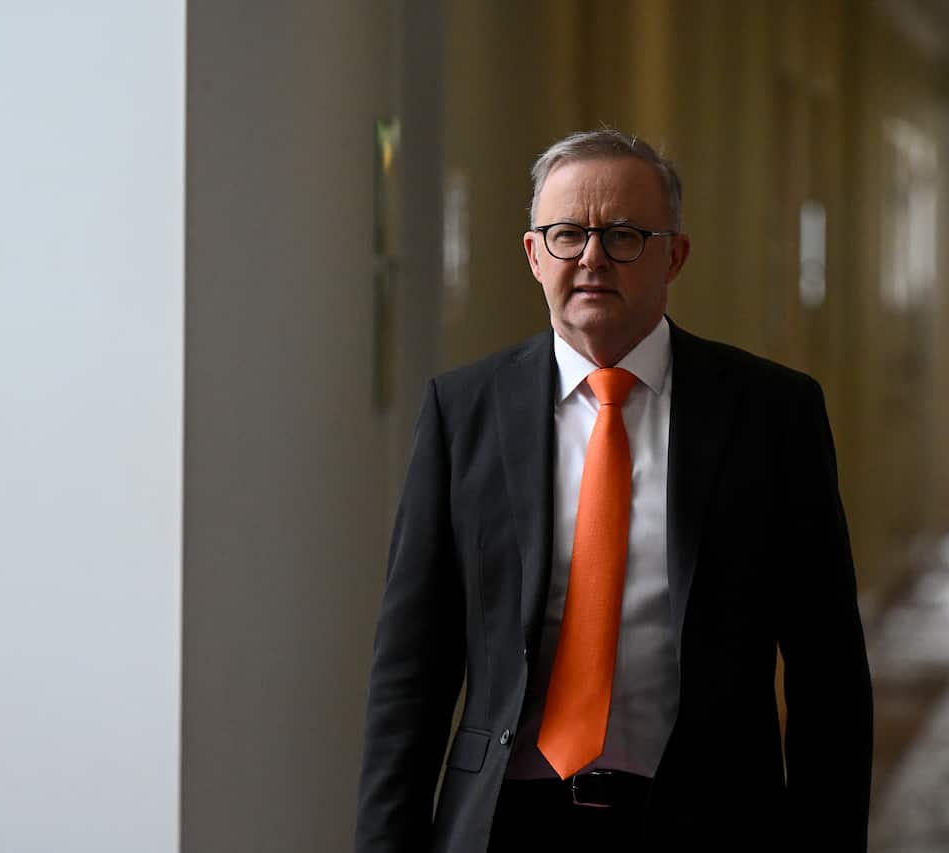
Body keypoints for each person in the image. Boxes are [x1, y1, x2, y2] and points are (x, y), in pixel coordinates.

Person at [353, 129, 873, 852]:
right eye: (567, 235)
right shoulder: (461, 411)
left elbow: (829, 673)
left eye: (624, 235)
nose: (592, 258)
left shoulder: (769, 414)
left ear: (675, 254)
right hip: (506, 820)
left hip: (709, 820)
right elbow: (411, 671)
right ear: (534, 254)